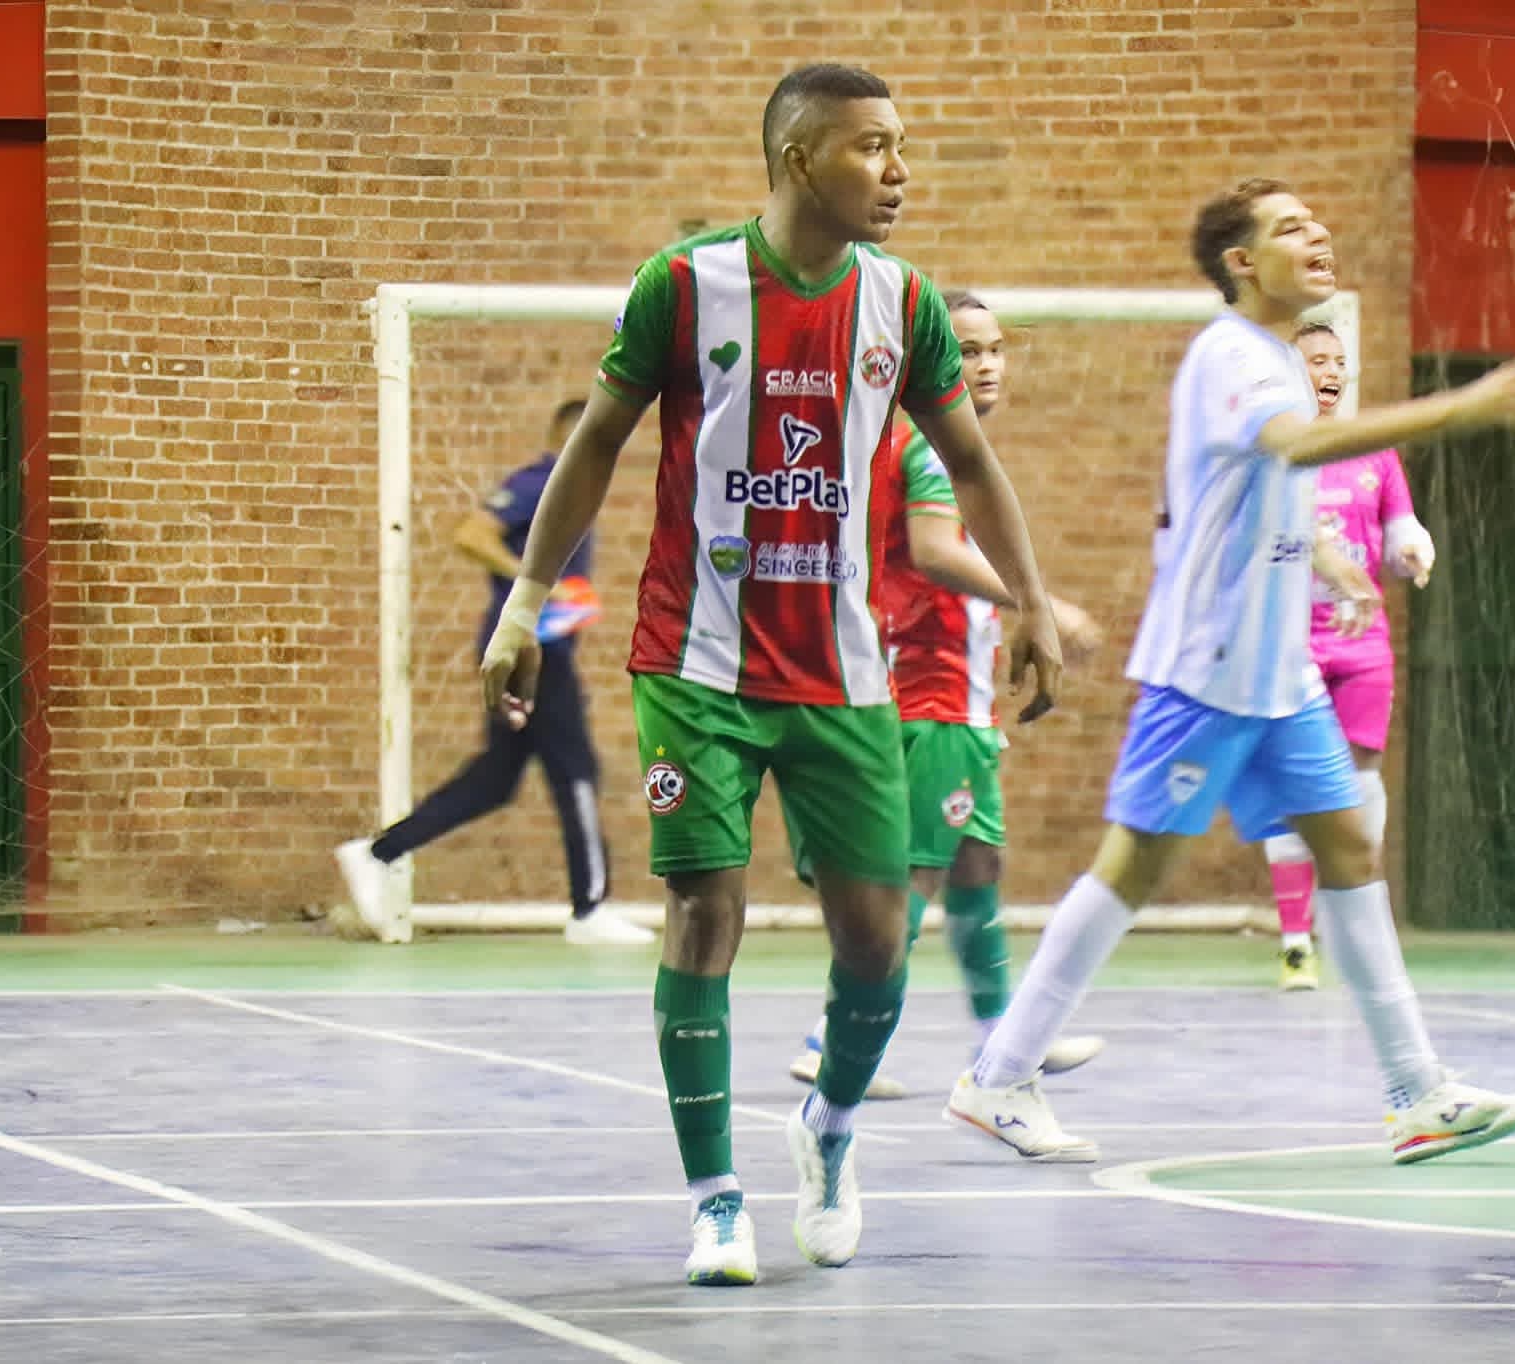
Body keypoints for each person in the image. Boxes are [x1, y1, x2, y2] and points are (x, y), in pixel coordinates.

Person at [478, 64, 1066, 1285]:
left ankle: (829, 1134)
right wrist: (524, 603)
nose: (898, 171)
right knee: (705, 911)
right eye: (873, 148)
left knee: (875, 941)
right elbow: (594, 440)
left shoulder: (903, 304)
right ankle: (713, 1201)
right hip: (691, 662)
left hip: (844, 676)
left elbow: (972, 459)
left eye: (901, 147)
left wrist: (1033, 607)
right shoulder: (685, 284)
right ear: (801, 157)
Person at [942, 177, 1515, 1167]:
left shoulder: (1274, 354)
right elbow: (1295, 445)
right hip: (1208, 667)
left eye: (1316, 222)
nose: (1315, 233)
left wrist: (1333, 565)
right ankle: (997, 1075)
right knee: (1133, 865)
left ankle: (1416, 1091)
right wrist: (1469, 402)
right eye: (1289, 228)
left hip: (1280, 677)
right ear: (1241, 262)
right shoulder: (1231, 354)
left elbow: (1274, 497)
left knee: (1351, 852)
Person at [786, 290, 1106, 1099]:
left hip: (953, 704)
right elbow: (931, 553)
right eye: (966, 350)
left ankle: (1007, 1036)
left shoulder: (921, 452)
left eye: (995, 348)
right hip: (928, 701)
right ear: (928, 362)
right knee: (913, 882)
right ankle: (835, 1038)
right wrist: (1042, 604)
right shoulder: (926, 451)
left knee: (975, 866)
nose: (987, 363)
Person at [337, 400, 651, 947]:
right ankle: (589, 908)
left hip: (536, 649)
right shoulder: (546, 481)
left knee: (495, 780)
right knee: (576, 770)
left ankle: (377, 853)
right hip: (534, 653)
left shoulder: (565, 486)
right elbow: (472, 534)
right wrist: (537, 580)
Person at [1267, 323, 1436, 990]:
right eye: (1316, 360)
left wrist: (1413, 550)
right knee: (1295, 780)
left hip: (1363, 644)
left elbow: (1400, 531)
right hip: (1290, 641)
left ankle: (1356, 926)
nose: (1331, 370)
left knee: (1361, 774)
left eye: (1340, 361)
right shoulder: (1281, 451)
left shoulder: (1375, 454)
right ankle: (1293, 940)